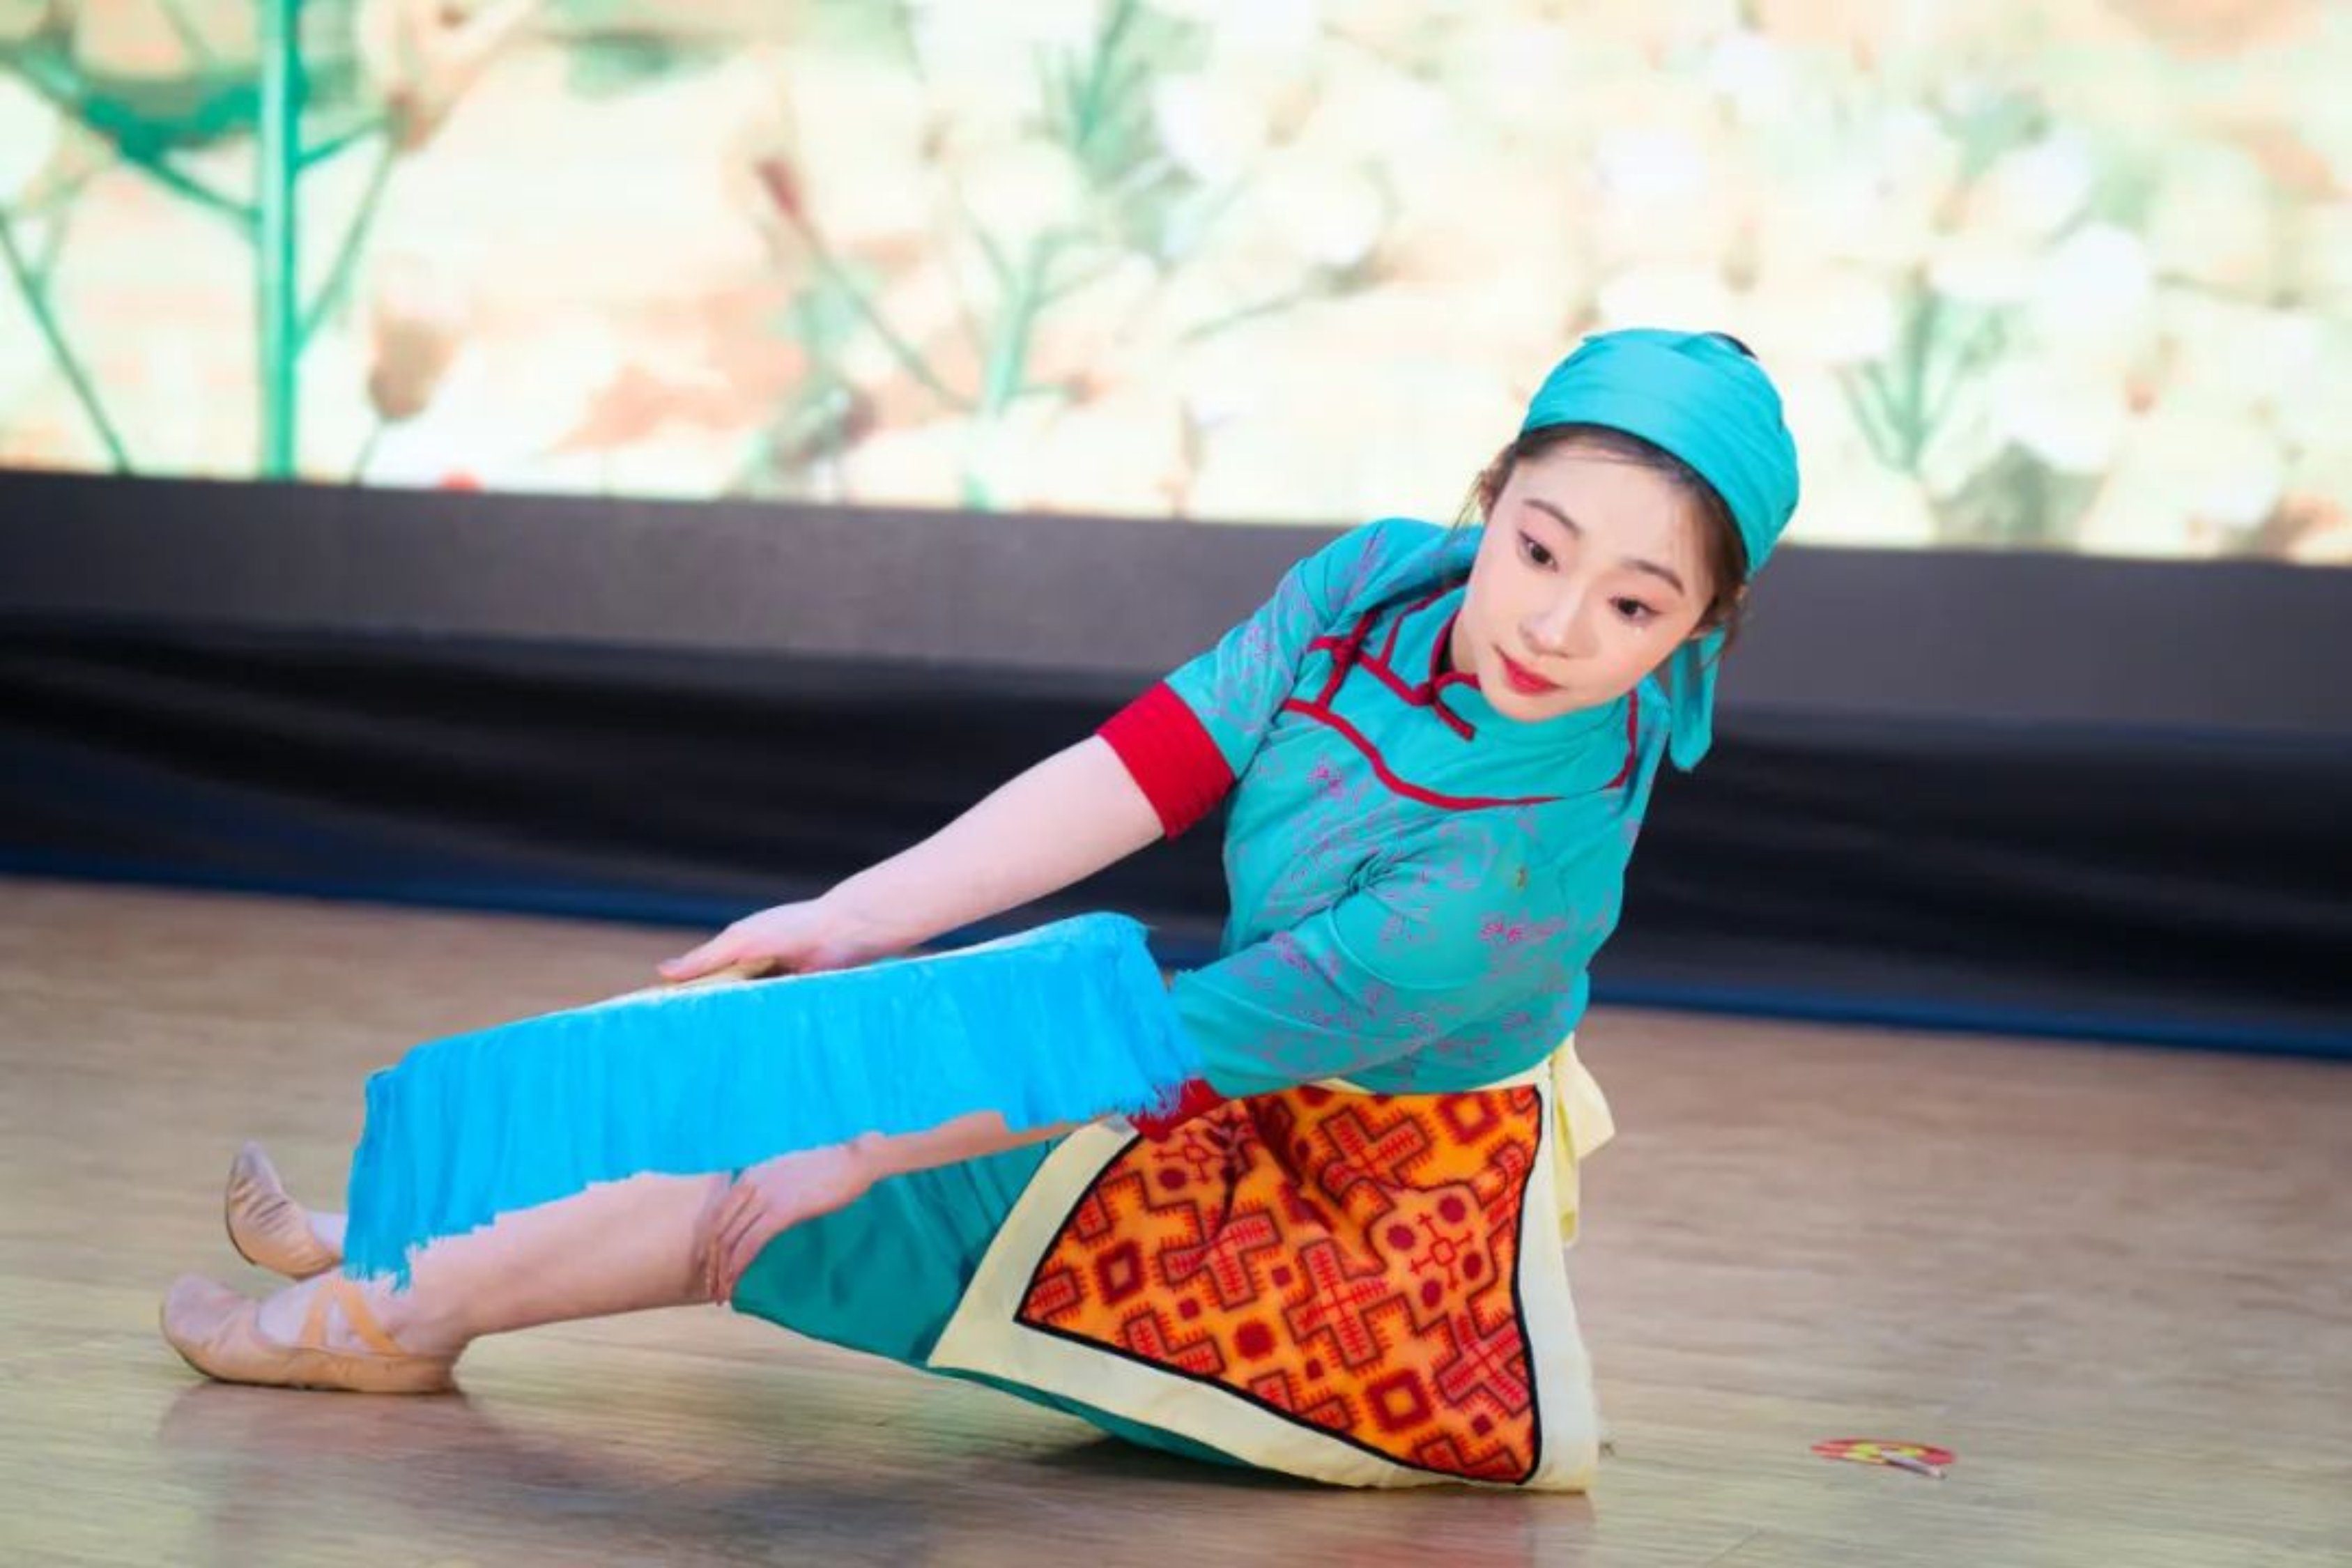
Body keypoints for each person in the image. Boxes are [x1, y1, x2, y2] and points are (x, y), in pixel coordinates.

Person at [163, 328, 1801, 1491]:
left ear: (1700, 629)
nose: (1556, 625)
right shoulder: (1381, 578)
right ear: (1490, 495)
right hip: (1213, 1069)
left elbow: (1170, 1045)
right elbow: (1142, 767)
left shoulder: (1502, 885)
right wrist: (856, 915)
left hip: (1345, 1241)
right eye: (1537, 549)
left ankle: (390, 1315)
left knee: (818, 1146)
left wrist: (868, 1142)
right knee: (790, 1023)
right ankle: (406, 1234)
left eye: (1632, 603)